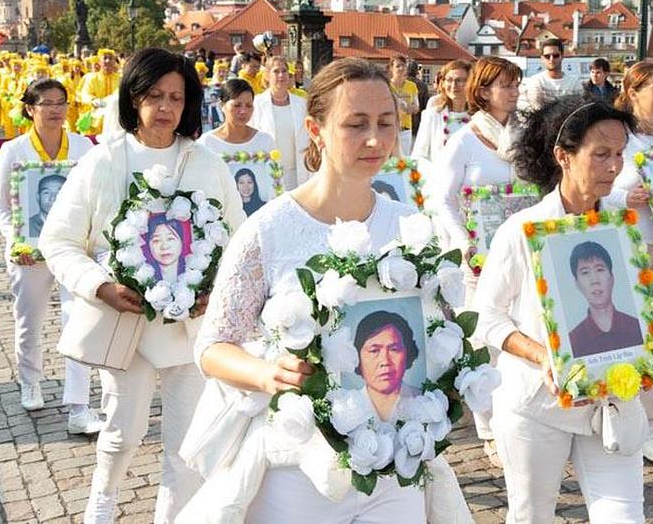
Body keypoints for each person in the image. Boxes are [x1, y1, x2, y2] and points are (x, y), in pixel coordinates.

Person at [195, 57, 468, 521]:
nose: (375, 140)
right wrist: (267, 373)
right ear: (315, 131)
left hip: (394, 463)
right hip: (298, 468)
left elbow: (438, 331)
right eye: (355, 124)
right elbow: (212, 346)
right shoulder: (269, 230)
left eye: (386, 123)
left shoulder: (411, 225)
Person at [39, 48, 245, 523]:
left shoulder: (207, 163)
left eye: (176, 97)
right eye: (154, 95)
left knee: (186, 445)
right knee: (122, 432)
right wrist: (100, 286)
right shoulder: (103, 161)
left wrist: (215, 290)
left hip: (191, 331)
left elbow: (239, 241)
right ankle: (103, 500)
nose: (165, 107)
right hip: (126, 324)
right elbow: (59, 240)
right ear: (133, 98)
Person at [474, 96, 648, 522]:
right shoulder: (522, 229)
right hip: (536, 405)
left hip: (612, 403)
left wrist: (648, 352)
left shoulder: (623, 225)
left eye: (620, 154)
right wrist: (543, 356)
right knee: (532, 515)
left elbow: (639, 303)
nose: (615, 166)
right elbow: (487, 318)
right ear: (563, 156)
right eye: (601, 154)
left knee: (624, 517)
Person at [0, 79, 101, 429]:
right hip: (29, 253)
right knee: (29, 320)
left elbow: (94, 198)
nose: (55, 110)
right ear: (30, 109)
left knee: (78, 321)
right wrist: (16, 241)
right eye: (46, 103)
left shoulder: (83, 147)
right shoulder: (14, 150)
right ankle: (30, 381)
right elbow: (0, 207)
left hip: (73, 249)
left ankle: (79, 406)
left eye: (60, 103)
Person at [431, 56, 521, 465]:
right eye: (506, 85)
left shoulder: (525, 136)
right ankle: (487, 427)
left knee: (518, 333)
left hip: (518, 254)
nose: (514, 92)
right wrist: (462, 240)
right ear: (483, 91)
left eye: (516, 85)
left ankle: (515, 418)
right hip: (478, 258)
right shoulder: (463, 141)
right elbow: (443, 200)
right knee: (482, 340)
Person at [606, 60, 653, 463]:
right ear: (632, 92)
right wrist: (625, 197)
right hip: (628, 243)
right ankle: (614, 412)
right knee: (622, 331)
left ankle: (650, 424)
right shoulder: (617, 133)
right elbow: (594, 184)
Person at [566, 240, 643, 357]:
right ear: (577, 284)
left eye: (600, 270)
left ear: (612, 277)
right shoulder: (573, 341)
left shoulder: (637, 328)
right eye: (585, 272)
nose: (594, 280)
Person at [249, 56, 309, 190]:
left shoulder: (302, 104)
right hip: (267, 173)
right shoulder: (256, 104)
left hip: (298, 174)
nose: (281, 75)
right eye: (276, 71)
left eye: (284, 71)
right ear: (267, 75)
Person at [353, 310, 421, 419]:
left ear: (408, 353)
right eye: (374, 351)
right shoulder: (346, 408)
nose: (385, 361)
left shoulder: (425, 402)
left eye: (394, 349)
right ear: (357, 356)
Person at [197, 79, 275, 160]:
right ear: (222, 105)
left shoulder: (265, 140)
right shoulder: (206, 143)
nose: (243, 111)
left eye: (249, 105)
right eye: (237, 105)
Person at [412, 59, 471, 163]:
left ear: (470, 83)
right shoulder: (432, 115)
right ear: (443, 83)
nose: (454, 85)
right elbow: (418, 155)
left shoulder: (478, 118)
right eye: (449, 80)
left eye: (460, 80)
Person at [517, 38, 581, 112]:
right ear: (542, 58)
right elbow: (536, 110)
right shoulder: (535, 81)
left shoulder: (574, 83)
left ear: (562, 56)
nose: (551, 59)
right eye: (547, 56)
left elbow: (578, 110)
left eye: (555, 55)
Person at [145, 215, 190, 284]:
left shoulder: (193, 273)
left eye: (170, 239)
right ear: (148, 245)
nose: (164, 246)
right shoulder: (143, 278)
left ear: (182, 242)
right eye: (156, 240)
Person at [390, 55, 419, 154]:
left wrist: (408, 108)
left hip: (405, 130)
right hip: (390, 128)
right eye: (398, 66)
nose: (401, 68)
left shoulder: (412, 86)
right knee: (388, 159)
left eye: (403, 65)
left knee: (403, 159)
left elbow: (416, 107)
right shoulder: (387, 85)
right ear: (392, 68)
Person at [28, 174, 65, 238]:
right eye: (46, 193)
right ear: (38, 197)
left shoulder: (78, 226)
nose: (52, 199)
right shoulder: (26, 227)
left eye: (59, 193)